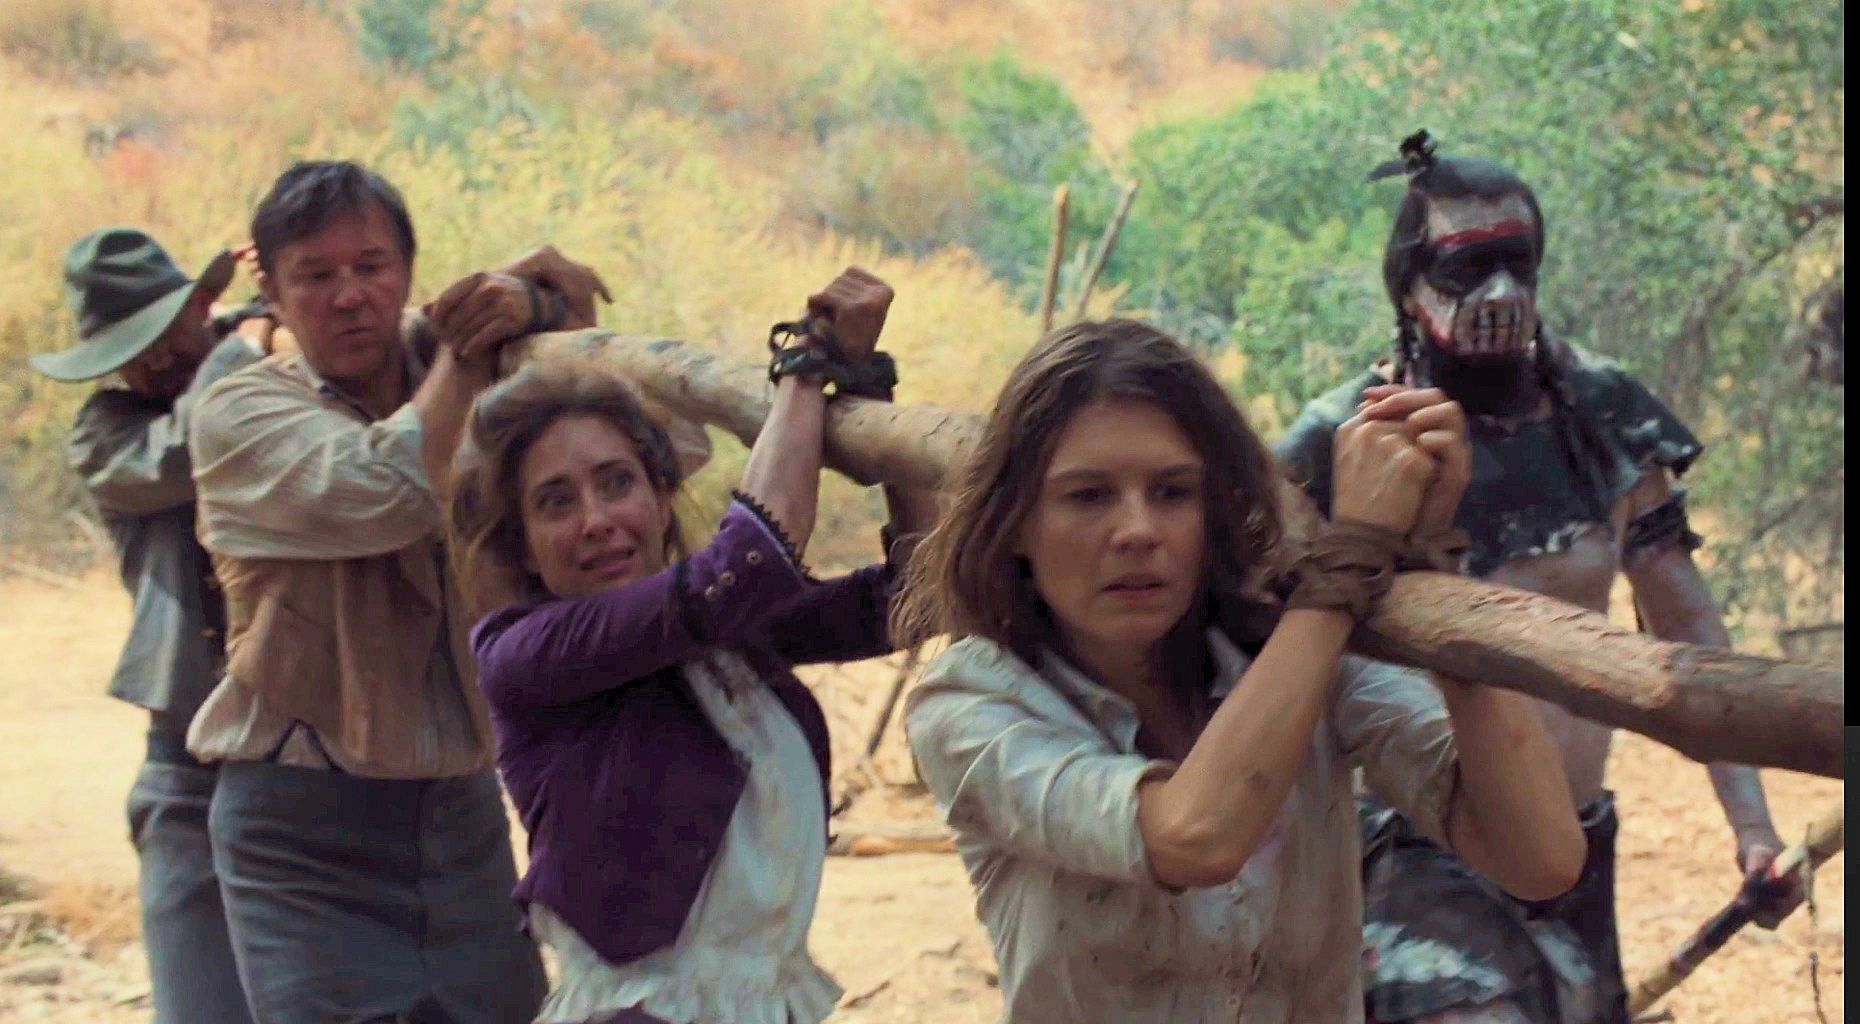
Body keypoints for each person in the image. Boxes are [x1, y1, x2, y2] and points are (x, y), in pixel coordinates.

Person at [894, 318, 1585, 1023]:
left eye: (1173, 492)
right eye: (1088, 495)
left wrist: (1437, 564)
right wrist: (1350, 558)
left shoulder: (1297, 658)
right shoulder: (971, 704)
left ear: (1214, 509)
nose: (1137, 531)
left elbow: (1542, 859)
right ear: (1015, 522)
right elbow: (1195, 835)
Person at [1276, 132, 1804, 1024]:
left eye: (1517, 263)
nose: (1500, 294)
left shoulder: (1604, 419)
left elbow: (1686, 630)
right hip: (1418, 848)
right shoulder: (1345, 443)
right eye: (1466, 267)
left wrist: (1752, 827)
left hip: (1573, 851)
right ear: (1408, 284)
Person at [453, 267, 941, 1024]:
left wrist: (868, 386)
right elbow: (752, 560)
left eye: (616, 483)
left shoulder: (727, 632)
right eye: (556, 501)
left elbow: (918, 599)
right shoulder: (525, 655)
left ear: (658, 498)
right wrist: (806, 364)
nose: (595, 520)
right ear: (524, 546)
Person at [184, 159, 607, 1023]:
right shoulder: (238, 414)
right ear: (271, 292)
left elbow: (656, 458)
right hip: (300, 836)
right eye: (315, 275)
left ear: (409, 270)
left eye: (371, 266)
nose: (350, 296)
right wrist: (468, 349)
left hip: (461, 819)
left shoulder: (479, 365)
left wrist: (554, 324)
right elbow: (387, 490)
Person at [30, 227, 258, 1024]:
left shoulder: (274, 376)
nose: (156, 360)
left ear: (201, 304)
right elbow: (188, 451)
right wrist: (239, 343)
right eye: (132, 350)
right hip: (188, 759)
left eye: (166, 331)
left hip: (313, 762)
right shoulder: (108, 433)